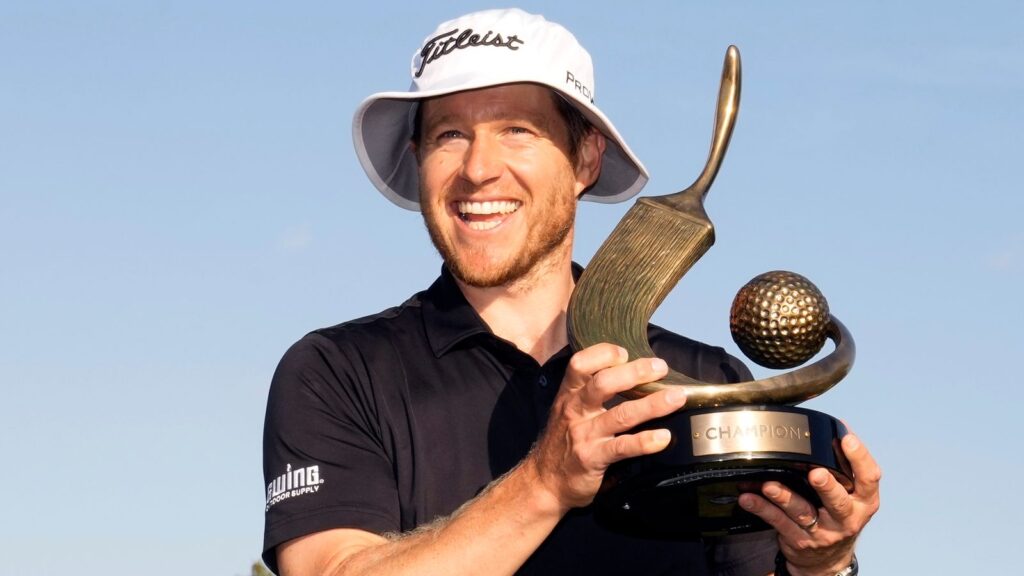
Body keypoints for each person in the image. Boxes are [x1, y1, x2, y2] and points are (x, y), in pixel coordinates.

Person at [262, 8, 880, 576]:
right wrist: (545, 481)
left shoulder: (701, 380)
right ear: (418, 158)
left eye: (517, 131)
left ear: (586, 159)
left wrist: (819, 565)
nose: (478, 169)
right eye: (450, 134)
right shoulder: (336, 373)